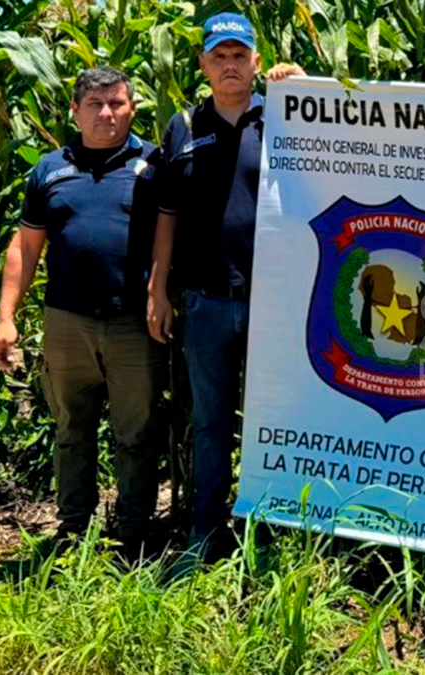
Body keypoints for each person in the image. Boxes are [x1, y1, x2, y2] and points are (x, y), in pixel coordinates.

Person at [147, 12, 304, 560]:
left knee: (277, 422)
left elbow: (337, 150)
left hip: (275, 306)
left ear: (257, 62)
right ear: (203, 66)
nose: (231, 65)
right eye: (220, 56)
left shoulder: (284, 116)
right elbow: (167, 212)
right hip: (206, 301)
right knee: (211, 424)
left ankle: (272, 536)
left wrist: (306, 89)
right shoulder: (184, 128)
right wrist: (158, 289)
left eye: (241, 55)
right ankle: (205, 536)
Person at [0, 66, 165, 556]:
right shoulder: (50, 169)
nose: (107, 113)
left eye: (117, 103)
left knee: (137, 432)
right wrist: (6, 318)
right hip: (67, 322)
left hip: (136, 322)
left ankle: (132, 535)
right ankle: (72, 531)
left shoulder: (153, 165)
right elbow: (24, 249)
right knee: (72, 428)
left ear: (132, 107)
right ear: (75, 111)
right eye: (95, 104)